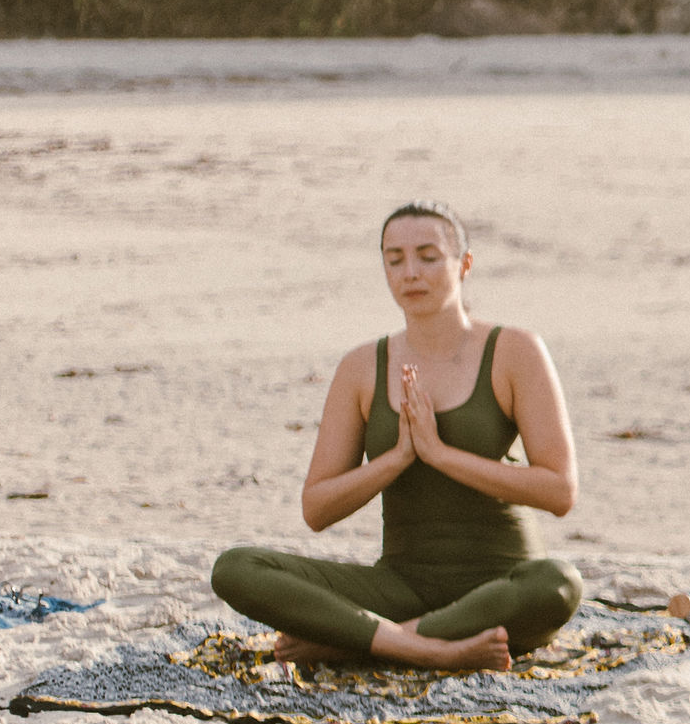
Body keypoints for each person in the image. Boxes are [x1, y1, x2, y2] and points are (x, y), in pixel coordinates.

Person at [209, 203, 584, 673]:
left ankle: (364, 642)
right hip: (400, 588)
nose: (411, 273)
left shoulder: (515, 350)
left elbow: (559, 491)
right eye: (395, 259)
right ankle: (425, 646)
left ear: (464, 264)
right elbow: (317, 509)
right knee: (236, 568)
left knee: (559, 583)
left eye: (428, 257)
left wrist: (440, 454)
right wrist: (397, 458)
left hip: (501, 589)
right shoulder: (362, 367)